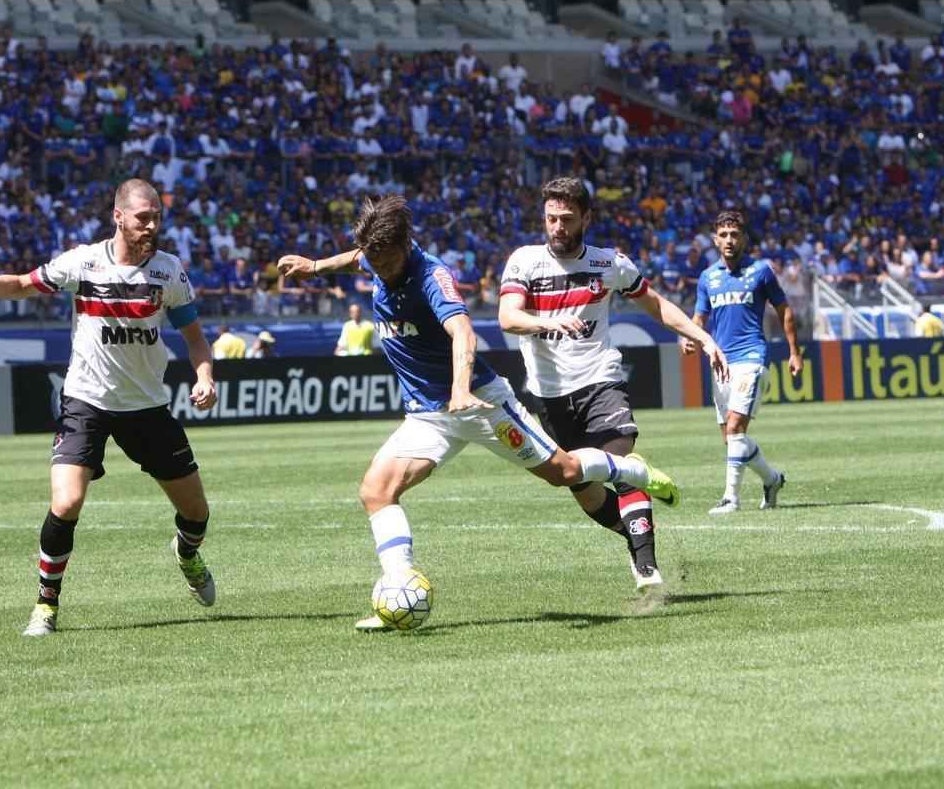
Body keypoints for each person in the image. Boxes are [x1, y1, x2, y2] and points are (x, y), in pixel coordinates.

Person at [278, 195, 681, 632]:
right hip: (427, 415)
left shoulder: (431, 276)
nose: (375, 267)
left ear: (404, 246)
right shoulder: (378, 255)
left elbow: (463, 333)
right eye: (371, 258)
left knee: (564, 473)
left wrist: (458, 389)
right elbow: (357, 257)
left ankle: (633, 472)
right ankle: (398, 589)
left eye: (383, 259)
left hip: (479, 403)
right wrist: (315, 266)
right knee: (376, 491)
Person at [0, 178, 219, 637]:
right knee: (68, 500)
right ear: (118, 217)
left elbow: (194, 337)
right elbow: (20, 284)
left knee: (196, 514)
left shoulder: (169, 272)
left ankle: (186, 553)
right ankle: (45, 606)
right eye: (142, 218)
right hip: (87, 400)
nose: (152, 225)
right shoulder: (84, 262)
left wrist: (205, 375)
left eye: (156, 217)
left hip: (146, 407)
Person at [498, 177, 728, 593]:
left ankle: (646, 567)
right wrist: (547, 322)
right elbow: (508, 317)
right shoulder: (524, 262)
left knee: (620, 463)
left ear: (586, 217)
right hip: (548, 396)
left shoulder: (609, 264)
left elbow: (655, 304)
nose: (557, 227)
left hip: (600, 380)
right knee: (582, 490)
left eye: (567, 219)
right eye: (551, 218)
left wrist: (703, 337)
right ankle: (635, 534)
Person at [682, 209, 802, 515]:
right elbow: (699, 316)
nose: (729, 240)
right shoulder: (708, 277)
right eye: (723, 235)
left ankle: (731, 499)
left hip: (752, 357)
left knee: (735, 428)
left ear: (744, 238)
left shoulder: (760, 270)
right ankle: (772, 480)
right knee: (731, 440)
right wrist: (690, 336)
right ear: (714, 239)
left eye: (735, 234)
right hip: (720, 362)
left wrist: (794, 351)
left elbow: (784, 309)